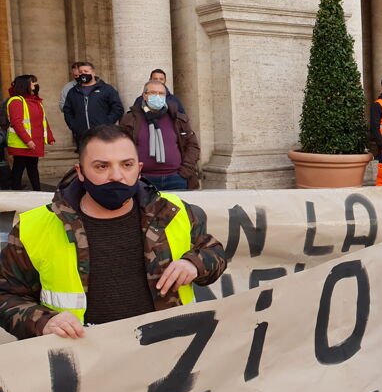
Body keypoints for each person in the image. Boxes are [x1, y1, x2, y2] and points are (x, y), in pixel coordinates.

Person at [0, 124, 226, 340]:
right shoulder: (36, 226)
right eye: (102, 166)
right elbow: (6, 295)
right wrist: (42, 322)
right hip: (82, 357)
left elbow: (214, 253)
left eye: (127, 165)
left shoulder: (173, 211)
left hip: (169, 349)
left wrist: (194, 263)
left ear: (139, 169)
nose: (116, 176)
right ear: (80, 172)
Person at [119, 80, 201, 191]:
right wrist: (132, 173)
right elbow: (121, 148)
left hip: (176, 179)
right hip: (143, 180)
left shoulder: (178, 118)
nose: (157, 96)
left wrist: (186, 170)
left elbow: (192, 145)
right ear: (144, 96)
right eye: (153, 93)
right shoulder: (130, 119)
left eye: (161, 93)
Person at [6, 75, 55, 191]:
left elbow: (43, 120)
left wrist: (50, 137)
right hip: (22, 143)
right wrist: (28, 141)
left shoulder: (36, 101)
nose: (36, 84)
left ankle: (37, 191)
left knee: (32, 167)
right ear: (24, 85)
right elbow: (16, 123)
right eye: (33, 82)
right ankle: (16, 191)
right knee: (19, 168)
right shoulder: (16, 101)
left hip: (34, 141)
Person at [63, 63, 125, 149]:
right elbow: (67, 111)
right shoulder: (73, 92)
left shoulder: (107, 89)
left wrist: (107, 123)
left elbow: (118, 108)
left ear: (93, 73)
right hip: (82, 135)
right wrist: (74, 126)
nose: (83, 74)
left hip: (103, 134)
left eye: (86, 71)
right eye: (80, 72)